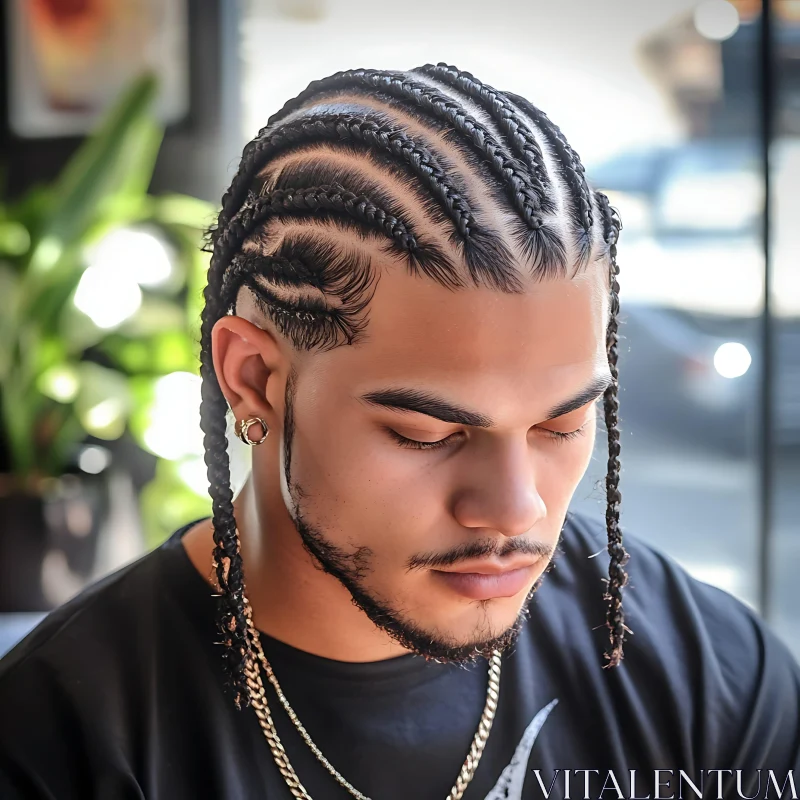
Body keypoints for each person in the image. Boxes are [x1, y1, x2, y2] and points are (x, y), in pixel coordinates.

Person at [1, 63, 799, 800]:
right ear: (254, 379)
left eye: (562, 422)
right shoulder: (60, 745)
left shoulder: (705, 675)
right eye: (427, 432)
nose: (516, 510)